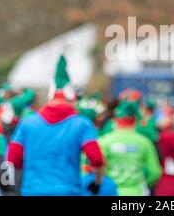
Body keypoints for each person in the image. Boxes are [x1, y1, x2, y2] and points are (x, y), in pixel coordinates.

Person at [7, 55, 104, 196]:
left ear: (50, 97)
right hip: (68, 191)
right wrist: (97, 182)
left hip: (33, 190)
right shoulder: (81, 124)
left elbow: (13, 159)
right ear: (72, 98)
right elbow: (96, 159)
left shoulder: (28, 123)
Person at [98, 100, 161, 196]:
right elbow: (155, 172)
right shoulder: (145, 142)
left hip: (110, 192)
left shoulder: (104, 141)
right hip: (137, 192)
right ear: (135, 121)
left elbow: (97, 168)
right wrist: (144, 184)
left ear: (115, 120)